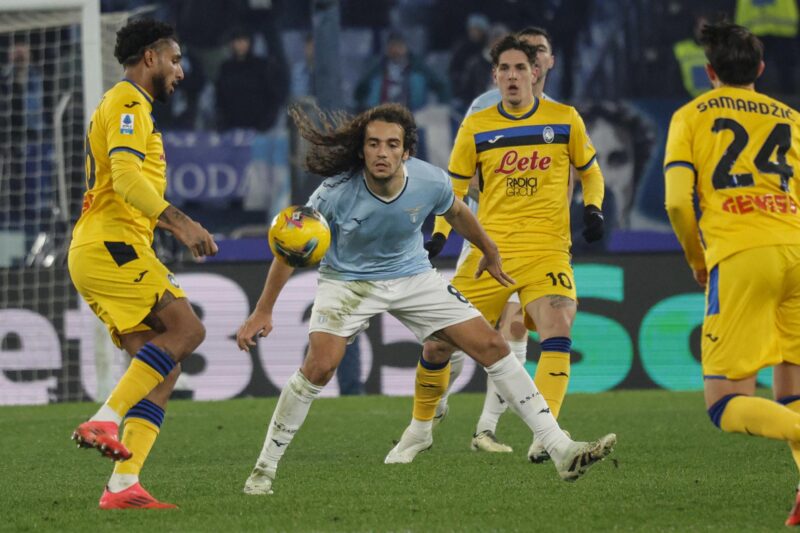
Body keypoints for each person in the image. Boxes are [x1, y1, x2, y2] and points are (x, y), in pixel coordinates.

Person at [236, 102, 616, 496]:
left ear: (406, 151)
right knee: (320, 368)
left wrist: (489, 249)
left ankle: (560, 449)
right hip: (348, 281)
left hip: (412, 275)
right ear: (362, 149)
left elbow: (457, 212)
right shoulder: (333, 193)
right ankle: (263, 470)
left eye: (391, 144)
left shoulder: (429, 180)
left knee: (492, 344)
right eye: (373, 144)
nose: (382, 152)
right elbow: (292, 248)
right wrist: (263, 310)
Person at [395, 33, 607, 464]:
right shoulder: (476, 125)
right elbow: (452, 188)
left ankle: (546, 435)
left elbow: (591, 171)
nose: (512, 76)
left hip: (546, 248)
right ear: (495, 76)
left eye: (520, 68)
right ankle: (419, 430)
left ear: (536, 73)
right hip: (487, 251)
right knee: (437, 345)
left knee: (558, 325)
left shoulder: (565, 118)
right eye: (504, 69)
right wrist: (440, 234)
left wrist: (594, 210)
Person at [67, 19, 218, 509]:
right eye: (174, 60)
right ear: (150, 57)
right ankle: (105, 418)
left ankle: (121, 486)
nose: (180, 71)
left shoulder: (129, 106)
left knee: (162, 368)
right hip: (112, 244)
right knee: (187, 330)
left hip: (103, 249)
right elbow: (129, 179)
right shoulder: (129, 102)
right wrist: (181, 223)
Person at [663, 21, 800, 527]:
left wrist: (698, 258)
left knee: (725, 403)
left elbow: (678, 201)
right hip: (796, 248)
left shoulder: (690, 115)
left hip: (742, 252)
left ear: (709, 72)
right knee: (793, 392)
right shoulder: (791, 117)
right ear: (760, 69)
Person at [353, 31, 450, 112]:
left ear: (406, 48)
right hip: (383, 114)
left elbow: (441, 85)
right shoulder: (378, 68)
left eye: (399, 46)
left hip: (413, 113)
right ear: (387, 49)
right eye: (392, 46)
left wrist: (442, 106)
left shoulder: (418, 67)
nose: (396, 50)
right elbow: (360, 90)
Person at [215, 28, 288, 132]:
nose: (241, 44)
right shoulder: (226, 68)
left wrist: (266, 123)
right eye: (237, 41)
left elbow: (273, 97)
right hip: (231, 129)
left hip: (259, 129)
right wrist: (222, 123)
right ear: (232, 43)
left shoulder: (262, 66)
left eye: (244, 40)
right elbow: (219, 97)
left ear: (250, 42)